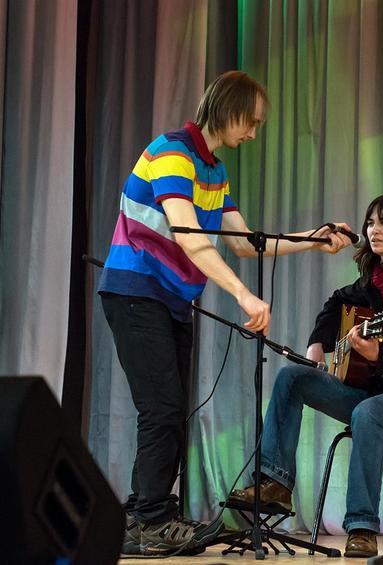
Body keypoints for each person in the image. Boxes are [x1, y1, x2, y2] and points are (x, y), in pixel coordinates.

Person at [98, 70, 351, 556]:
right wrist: (242, 295)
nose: (253, 133)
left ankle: (152, 513)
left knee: (172, 412)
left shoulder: (213, 169)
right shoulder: (172, 153)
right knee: (163, 408)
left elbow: (242, 241)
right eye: (251, 122)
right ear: (228, 108)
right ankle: (144, 521)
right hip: (136, 292)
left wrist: (313, 240)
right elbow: (191, 237)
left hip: (172, 300)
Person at [227, 193, 383, 558]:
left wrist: (380, 355)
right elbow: (335, 303)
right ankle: (275, 482)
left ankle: (361, 527)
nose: (373, 230)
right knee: (292, 377)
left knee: (368, 413)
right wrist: (318, 343)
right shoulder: (371, 282)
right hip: (374, 394)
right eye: (371, 222)